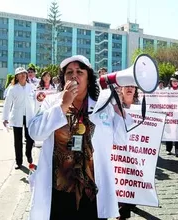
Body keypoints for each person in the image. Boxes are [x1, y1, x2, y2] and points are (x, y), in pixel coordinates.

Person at [28, 55, 132, 220]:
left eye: (79, 72)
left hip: (92, 192)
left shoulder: (102, 106)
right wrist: (62, 105)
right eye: (69, 72)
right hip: (59, 190)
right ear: (63, 79)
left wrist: (119, 108)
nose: (74, 76)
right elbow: (35, 132)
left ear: (89, 78)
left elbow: (121, 139)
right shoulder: (51, 102)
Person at [2, 67, 36, 170]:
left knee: (30, 138)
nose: (23, 75)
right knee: (18, 140)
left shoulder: (32, 87)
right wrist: (5, 118)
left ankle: (28, 153)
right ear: (17, 76)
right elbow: (7, 104)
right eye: (20, 74)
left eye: (24, 74)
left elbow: (37, 101)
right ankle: (18, 161)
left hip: (29, 115)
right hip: (17, 116)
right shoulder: (12, 89)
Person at [117, 85, 139, 220]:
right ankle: (121, 211)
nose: (130, 89)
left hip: (137, 151)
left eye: (132, 87)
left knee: (133, 179)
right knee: (121, 179)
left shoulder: (141, 106)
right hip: (119, 151)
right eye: (127, 86)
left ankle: (130, 202)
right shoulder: (115, 106)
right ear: (121, 89)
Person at [165, 74, 178, 158]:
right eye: (173, 81)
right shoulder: (166, 90)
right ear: (171, 82)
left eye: (177, 81)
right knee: (169, 132)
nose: (175, 83)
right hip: (169, 114)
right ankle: (168, 149)